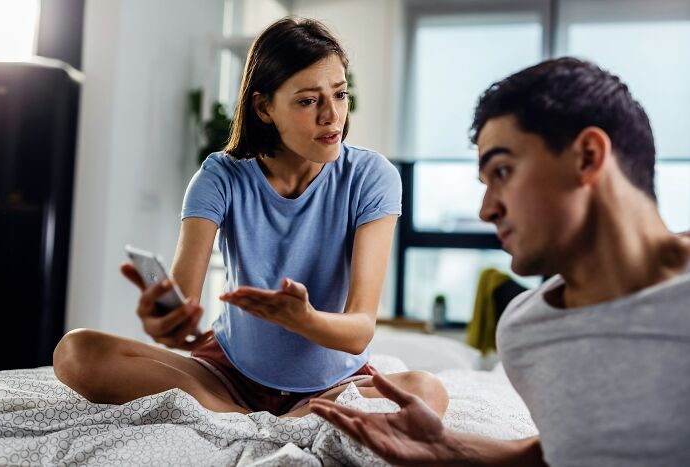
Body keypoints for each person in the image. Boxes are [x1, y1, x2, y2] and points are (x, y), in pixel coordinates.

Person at [52, 17, 448, 418]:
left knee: (426, 391)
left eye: (341, 95)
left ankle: (236, 417)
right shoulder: (219, 175)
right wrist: (166, 320)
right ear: (263, 107)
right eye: (309, 100)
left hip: (333, 384)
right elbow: (184, 307)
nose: (332, 116)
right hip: (227, 374)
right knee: (76, 352)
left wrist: (304, 319)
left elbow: (360, 328)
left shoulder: (372, 177)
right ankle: (263, 420)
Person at [311, 57, 690, 466]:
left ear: (587, 156)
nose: (486, 211)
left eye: (503, 171)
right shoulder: (526, 331)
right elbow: (570, 453)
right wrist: (449, 449)